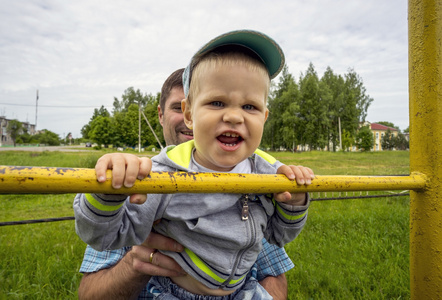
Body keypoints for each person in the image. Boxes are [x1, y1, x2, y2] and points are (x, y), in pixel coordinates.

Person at [74, 30, 314, 299]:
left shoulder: (267, 172)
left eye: (250, 106)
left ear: (265, 116)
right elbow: (102, 238)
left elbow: (279, 237)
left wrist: (294, 203)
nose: (234, 116)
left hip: (244, 290)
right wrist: (106, 192)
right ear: (189, 113)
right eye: (217, 102)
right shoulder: (157, 176)